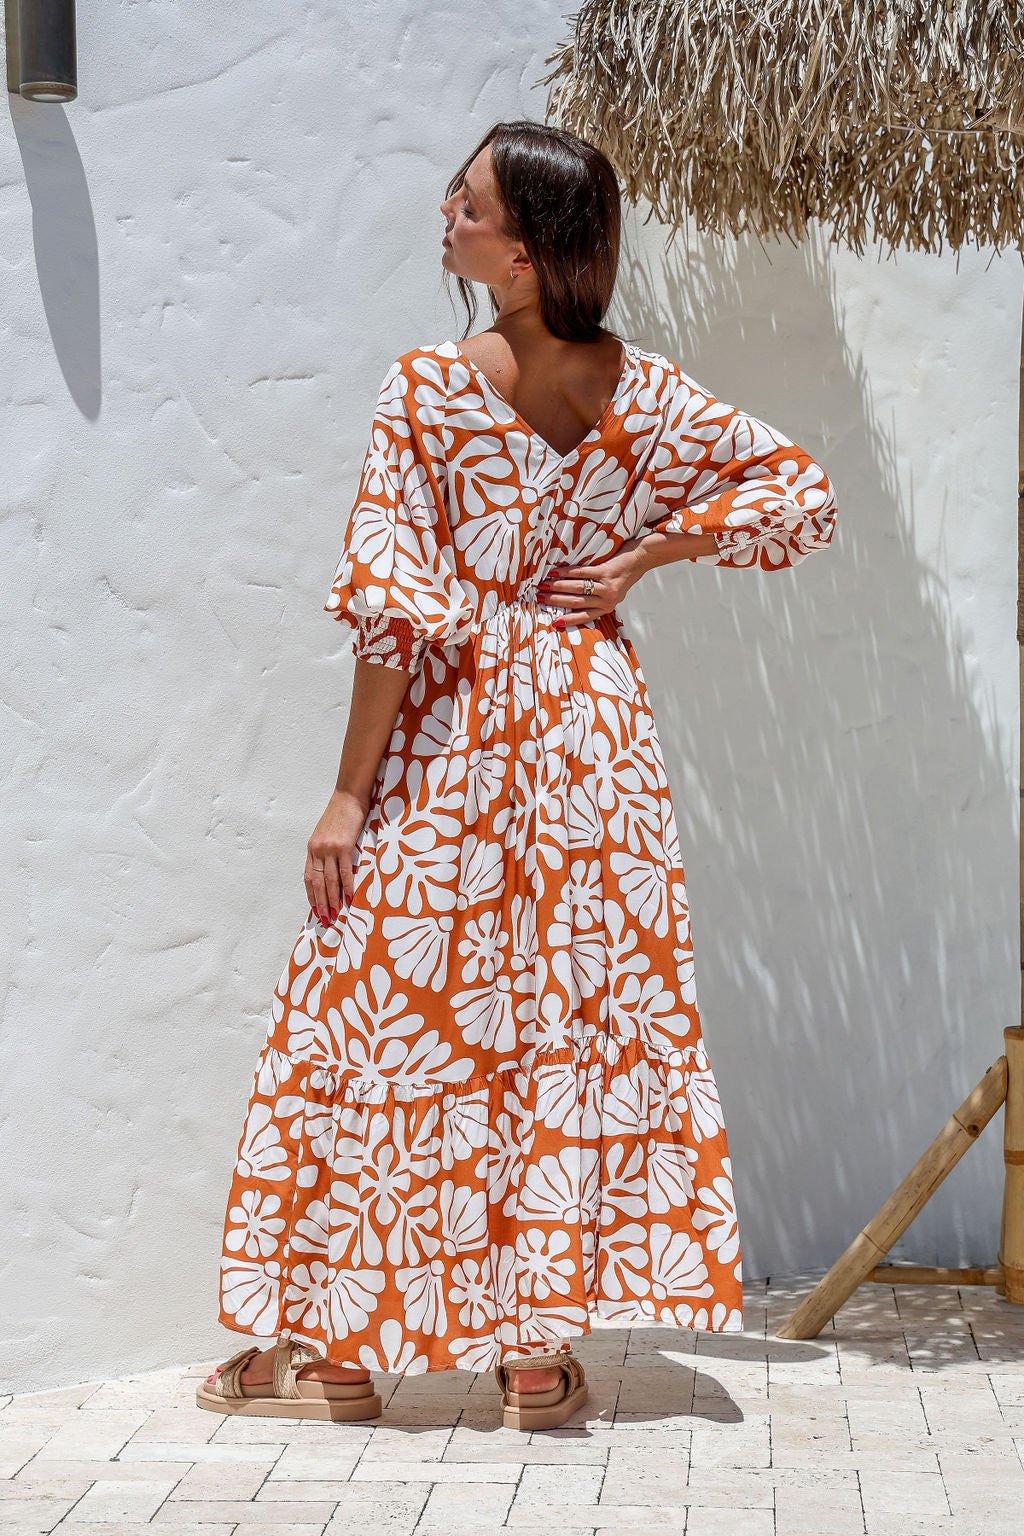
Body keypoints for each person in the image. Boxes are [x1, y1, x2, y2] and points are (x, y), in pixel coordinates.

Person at [198, 119, 837, 1430]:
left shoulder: (430, 387)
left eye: (470, 201)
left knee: (391, 1016)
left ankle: (344, 1351)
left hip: (458, 728)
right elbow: (796, 494)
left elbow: (395, 614)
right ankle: (535, 1359)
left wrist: (347, 796)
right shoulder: (641, 392)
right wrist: (646, 559)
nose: (446, 213)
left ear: (534, 243)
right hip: (592, 735)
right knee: (560, 1023)